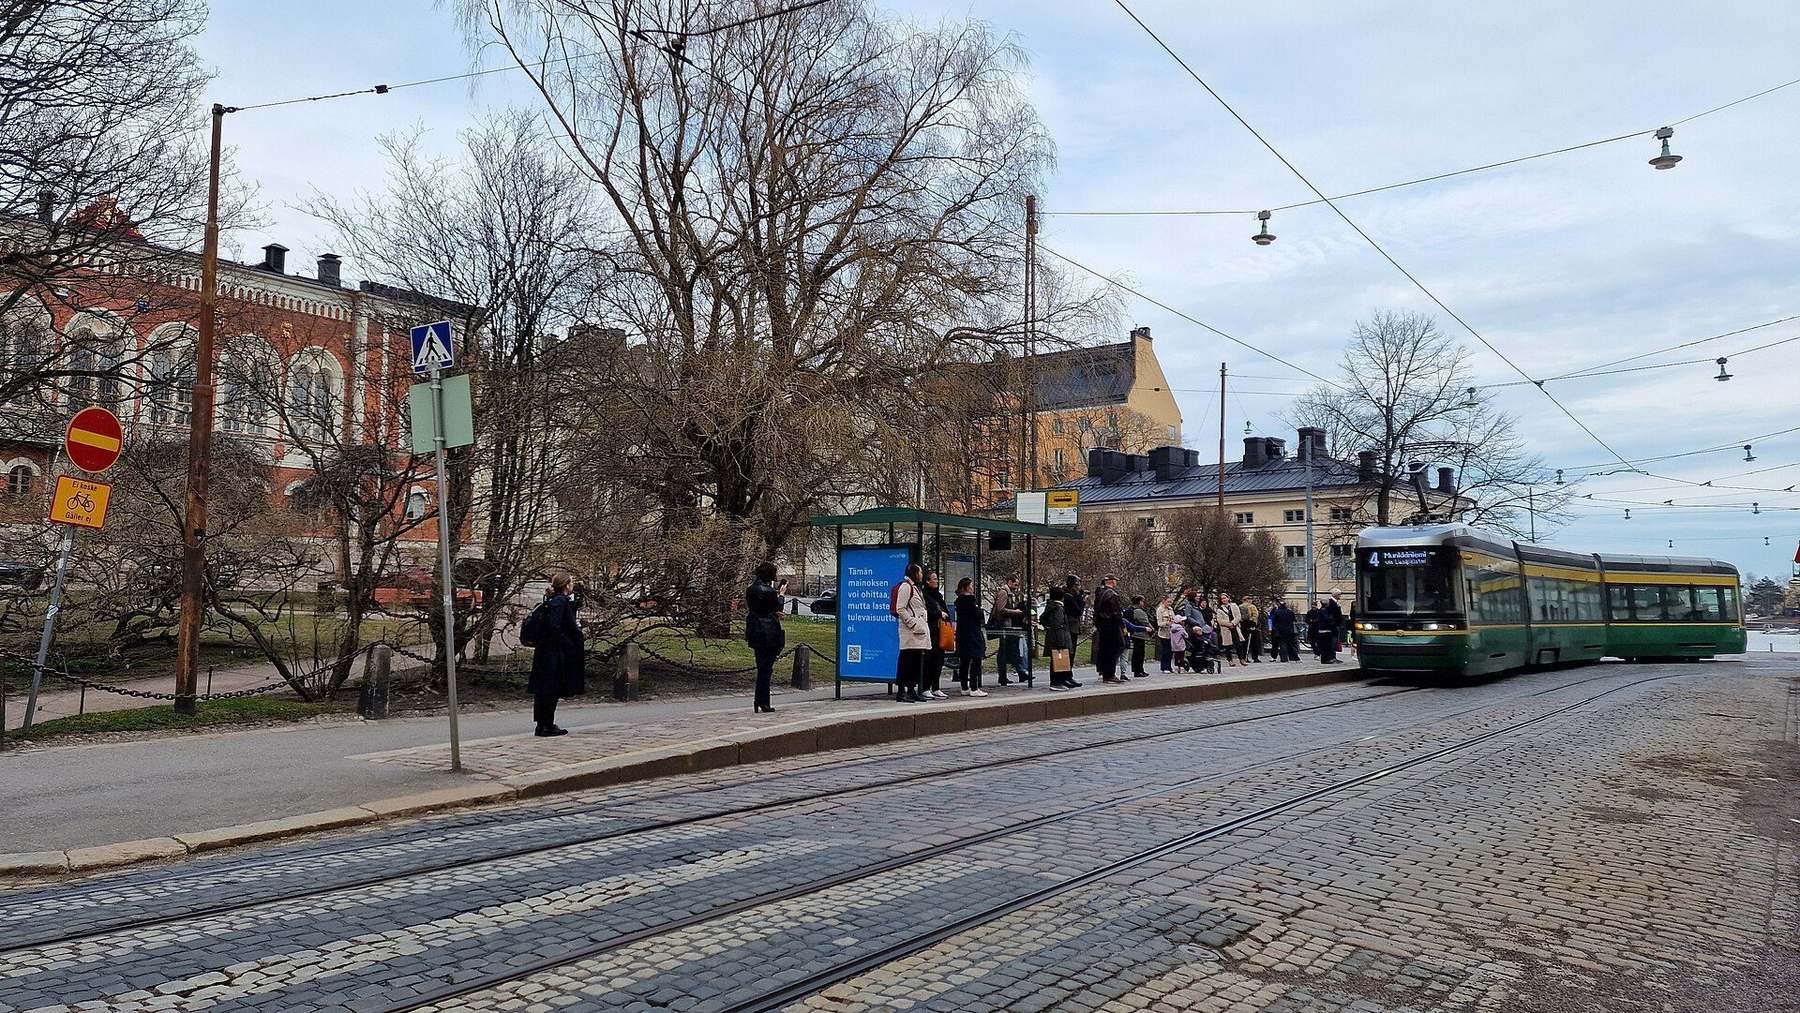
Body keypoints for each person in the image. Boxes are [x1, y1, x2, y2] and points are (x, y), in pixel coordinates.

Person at [527, 573, 585, 736]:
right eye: (571, 582)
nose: (573, 585)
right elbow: (555, 626)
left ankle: (543, 724)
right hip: (553, 652)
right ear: (566, 585)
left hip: (545, 650)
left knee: (544, 690)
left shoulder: (552, 600)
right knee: (550, 690)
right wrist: (569, 643)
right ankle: (546, 725)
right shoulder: (560, 601)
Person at [744, 562, 786, 713]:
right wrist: (781, 594)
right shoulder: (769, 591)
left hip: (754, 629)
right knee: (766, 669)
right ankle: (763, 701)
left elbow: (760, 608)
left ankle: (760, 700)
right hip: (768, 632)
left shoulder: (750, 589)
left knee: (762, 666)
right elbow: (777, 606)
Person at [890, 563, 930, 703]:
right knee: (906, 661)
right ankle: (901, 691)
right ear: (914, 573)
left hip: (917, 631)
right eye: (920, 572)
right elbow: (900, 608)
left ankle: (912, 689)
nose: (922, 575)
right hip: (910, 631)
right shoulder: (906, 587)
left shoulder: (915, 588)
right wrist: (912, 622)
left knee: (915, 661)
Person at [990, 575, 1029, 685]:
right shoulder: (1004, 592)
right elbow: (1001, 609)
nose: (1016, 587)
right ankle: (1003, 676)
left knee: (1010, 649)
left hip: (1008, 625)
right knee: (1003, 651)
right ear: (1010, 582)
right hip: (1003, 626)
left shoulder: (1010, 593)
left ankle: (1018, 673)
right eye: (1015, 584)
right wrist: (1015, 612)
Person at [954, 577, 989, 697]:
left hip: (962, 634)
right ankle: (974, 687)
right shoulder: (969, 600)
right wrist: (979, 610)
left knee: (964, 661)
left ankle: (964, 687)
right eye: (971, 585)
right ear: (966, 587)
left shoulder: (959, 601)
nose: (973, 588)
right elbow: (978, 615)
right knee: (976, 659)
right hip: (973, 634)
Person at [1041, 588, 1079, 690]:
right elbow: (1058, 625)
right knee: (1057, 661)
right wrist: (1061, 641)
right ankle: (1056, 682)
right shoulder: (1058, 608)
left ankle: (1061, 681)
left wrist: (1047, 627)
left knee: (1057, 661)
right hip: (1059, 638)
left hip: (1053, 637)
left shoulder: (1051, 606)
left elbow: (1042, 618)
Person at [1092, 575, 1127, 682]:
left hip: (1102, 625)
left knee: (1104, 649)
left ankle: (1104, 672)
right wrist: (1122, 625)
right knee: (1114, 649)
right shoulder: (1112, 595)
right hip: (1112, 625)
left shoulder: (1100, 593)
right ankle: (1110, 674)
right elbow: (1116, 612)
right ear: (1112, 582)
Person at [922, 570, 950, 699]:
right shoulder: (924, 594)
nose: (936, 581)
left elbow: (946, 610)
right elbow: (928, 611)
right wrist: (939, 614)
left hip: (941, 631)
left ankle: (936, 687)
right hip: (930, 630)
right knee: (929, 659)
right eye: (934, 579)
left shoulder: (938, 595)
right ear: (928, 581)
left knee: (939, 660)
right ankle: (925, 687)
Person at [1126, 594, 1152, 678]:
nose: (1143, 603)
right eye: (1142, 601)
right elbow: (1145, 621)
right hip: (1139, 633)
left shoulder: (1131, 609)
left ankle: (1139, 670)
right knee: (1139, 653)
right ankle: (1138, 670)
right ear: (1140, 602)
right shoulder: (1138, 611)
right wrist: (1151, 628)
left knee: (1138, 652)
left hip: (1135, 633)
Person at [1215, 593, 1242, 667]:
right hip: (1226, 628)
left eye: (1225, 598)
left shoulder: (1234, 606)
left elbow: (1238, 616)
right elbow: (1220, 621)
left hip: (1235, 627)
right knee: (1228, 645)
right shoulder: (1220, 609)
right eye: (1222, 599)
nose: (1224, 600)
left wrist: (1233, 623)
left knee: (1238, 644)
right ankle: (1230, 660)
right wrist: (1229, 624)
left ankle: (1241, 658)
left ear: (1228, 598)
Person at [1155, 593, 1177, 673]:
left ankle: (1169, 666)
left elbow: (1174, 619)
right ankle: (1164, 667)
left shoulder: (1170, 609)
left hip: (1171, 633)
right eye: (1168, 602)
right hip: (1163, 633)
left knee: (1171, 651)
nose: (1169, 604)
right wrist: (1167, 623)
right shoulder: (1160, 610)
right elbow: (1159, 623)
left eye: (1170, 602)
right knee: (1165, 650)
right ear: (1163, 601)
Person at [1325, 591, 1347, 662]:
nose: (1340, 596)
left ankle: (1333, 656)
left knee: (1335, 641)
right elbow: (1332, 614)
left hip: (1336, 625)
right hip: (1333, 626)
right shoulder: (1331, 603)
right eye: (1339, 595)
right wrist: (1334, 624)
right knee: (1332, 641)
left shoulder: (1334, 602)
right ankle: (1331, 657)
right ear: (1336, 595)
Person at [1241, 595, 1262, 663]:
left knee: (1246, 642)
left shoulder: (1241, 606)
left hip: (1245, 624)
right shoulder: (1251, 606)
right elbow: (1255, 616)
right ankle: (1253, 657)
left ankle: (1246, 657)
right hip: (1250, 624)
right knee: (1252, 642)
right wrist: (1253, 623)